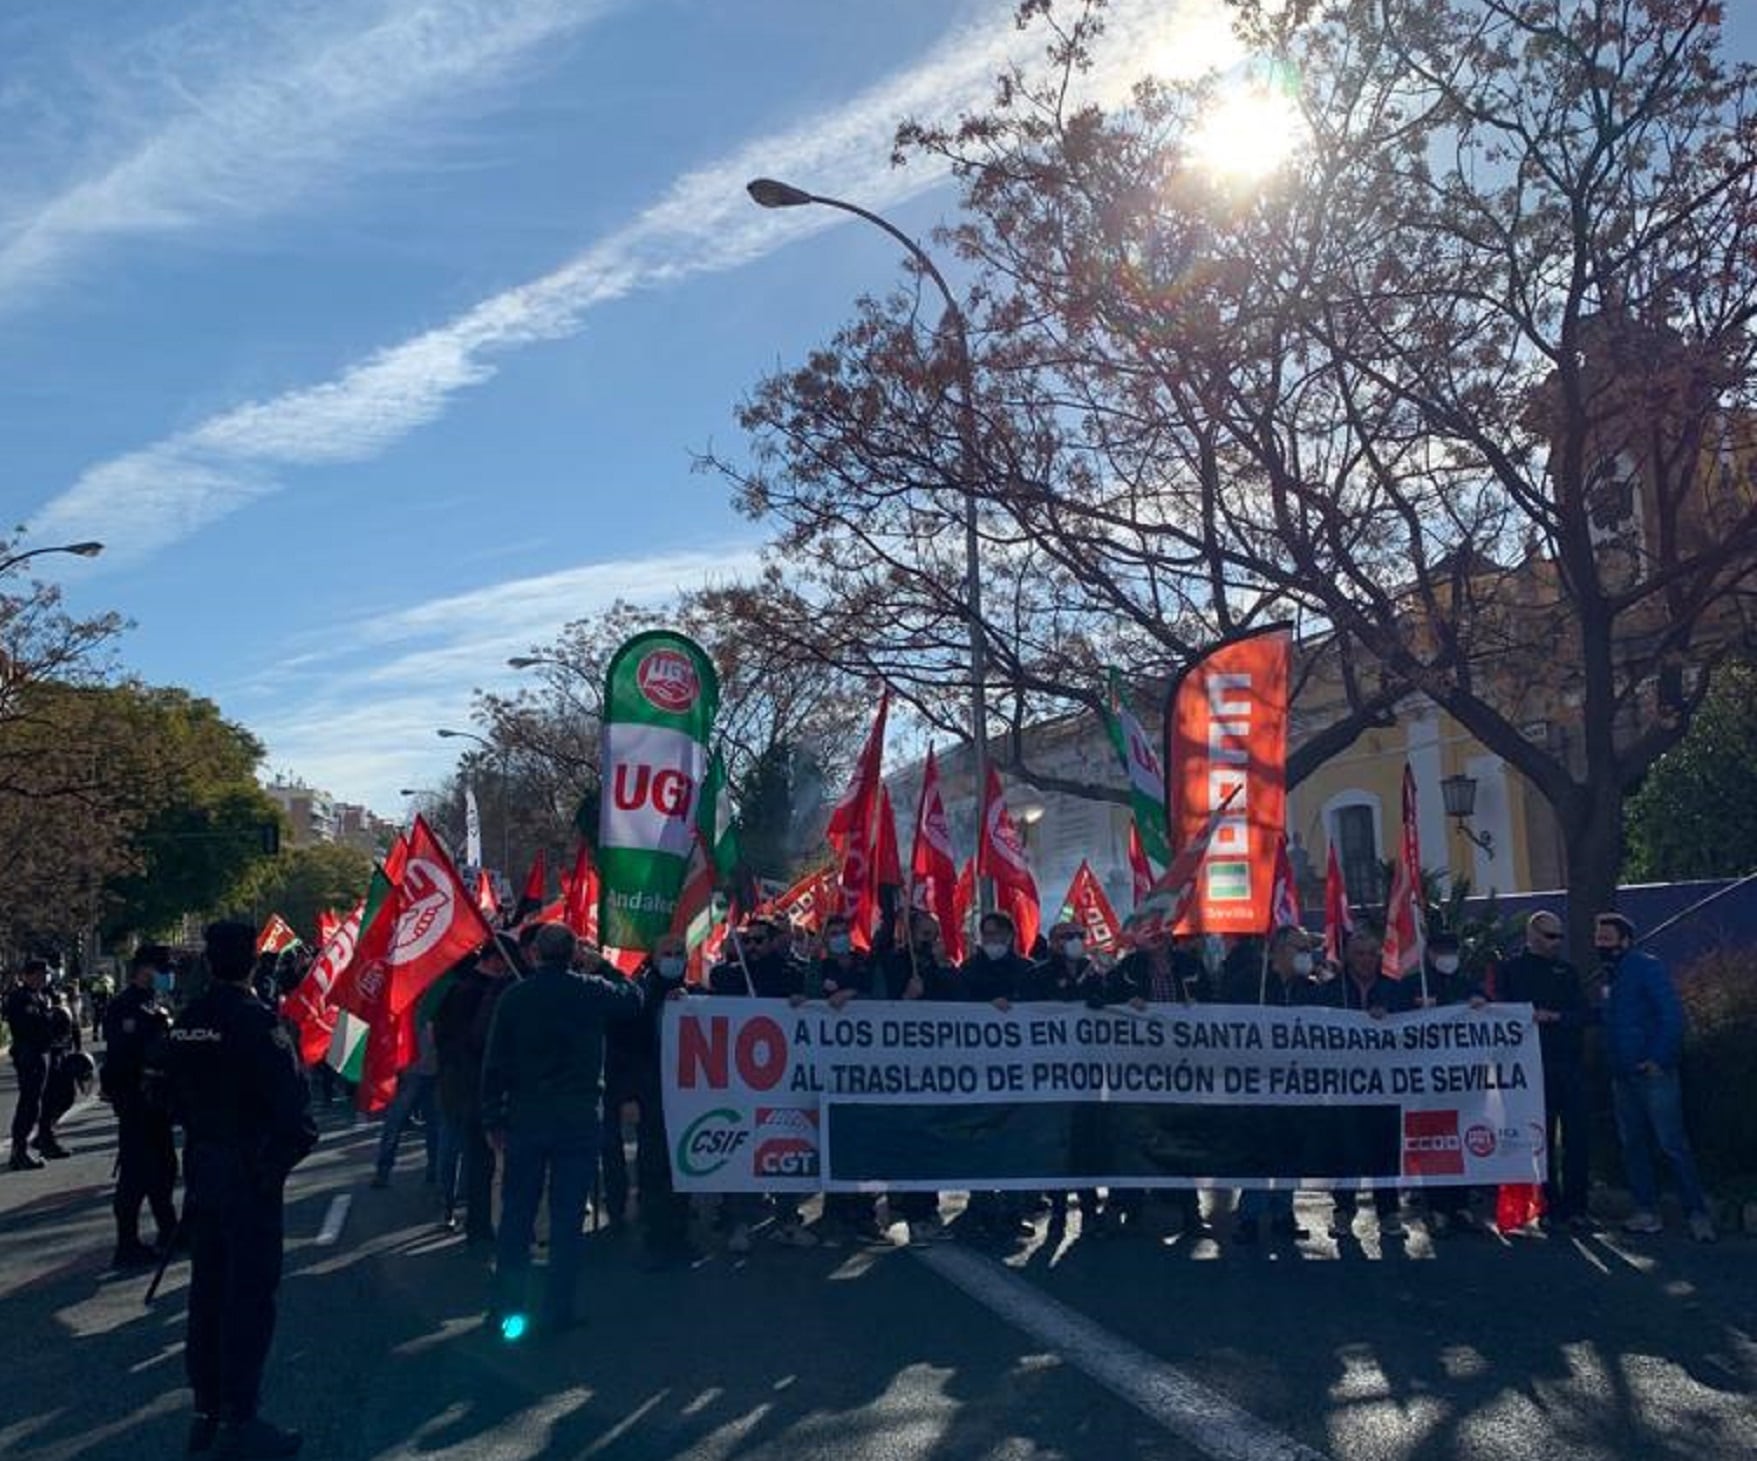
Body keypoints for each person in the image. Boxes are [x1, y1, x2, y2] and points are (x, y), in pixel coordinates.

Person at [163, 921, 318, 1459]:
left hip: (204, 1169)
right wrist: (270, 1167)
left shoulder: (189, 1020)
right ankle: (239, 1419)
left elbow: (160, 1092)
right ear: (252, 962)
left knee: (206, 1291)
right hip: (247, 1174)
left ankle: (206, 1408)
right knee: (248, 1298)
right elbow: (294, 1111)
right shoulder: (257, 1023)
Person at [481, 921, 677, 1335]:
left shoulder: (515, 997)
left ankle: (506, 1307)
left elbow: (495, 1062)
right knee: (567, 1218)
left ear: (534, 954)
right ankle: (558, 1309)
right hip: (577, 1118)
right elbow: (635, 998)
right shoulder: (590, 991)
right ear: (574, 954)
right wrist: (603, 966)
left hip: (527, 1116)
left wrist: (493, 1117)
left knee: (518, 1215)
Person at [1597, 912, 1715, 1242]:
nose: (1601, 944)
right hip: (1622, 1075)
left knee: (1671, 1143)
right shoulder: (1609, 977)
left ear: (1625, 940)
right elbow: (1607, 1019)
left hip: (1653, 1073)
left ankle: (1697, 1213)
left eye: (1607, 938)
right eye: (1598, 938)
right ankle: (1646, 1210)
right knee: (1633, 1145)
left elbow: (1671, 1014)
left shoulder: (1645, 967)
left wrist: (1658, 1058)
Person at [708, 917, 814, 1251]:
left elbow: (809, 1000)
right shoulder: (730, 974)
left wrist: (803, 1002)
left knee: (784, 1148)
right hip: (742, 1079)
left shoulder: (790, 974)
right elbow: (716, 983)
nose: (752, 946)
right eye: (747, 940)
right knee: (741, 1150)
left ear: (772, 942)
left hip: (782, 1078)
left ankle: (786, 1218)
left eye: (758, 940)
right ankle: (739, 1222)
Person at [1105, 929, 1211, 1235]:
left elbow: (1212, 1001)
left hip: (1181, 1066)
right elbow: (1103, 999)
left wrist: (1197, 1006)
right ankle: (1132, 1205)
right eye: (1152, 933)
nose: (1159, 939)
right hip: (1138, 1068)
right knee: (1138, 1135)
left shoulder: (1190, 965)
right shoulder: (1129, 968)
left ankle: (1190, 1211)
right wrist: (1127, 1001)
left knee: (1180, 1136)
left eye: (1164, 932)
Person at [1494, 911, 1593, 1232]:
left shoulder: (1567, 971)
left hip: (1569, 1063)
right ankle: (1548, 1205)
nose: (1557, 943)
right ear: (1533, 935)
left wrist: (1557, 1018)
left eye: (1560, 936)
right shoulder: (1511, 970)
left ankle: (1577, 1207)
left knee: (1578, 1137)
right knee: (1542, 1138)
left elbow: (1584, 1014)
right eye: (1551, 936)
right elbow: (1499, 1013)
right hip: (1532, 1067)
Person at [1229, 925, 1319, 1244]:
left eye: (1308, 948)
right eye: (1300, 948)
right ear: (1279, 950)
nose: (1306, 955)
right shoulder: (1249, 983)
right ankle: (1250, 1216)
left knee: (1289, 1149)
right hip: (1257, 1083)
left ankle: (1283, 1212)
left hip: (1295, 1085)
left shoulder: (1309, 988)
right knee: (1258, 1150)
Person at [956, 910, 1041, 1243]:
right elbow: (956, 1009)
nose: (990, 941)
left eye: (996, 935)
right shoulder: (968, 970)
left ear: (1009, 936)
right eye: (985, 935)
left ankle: (1013, 1208)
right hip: (979, 1069)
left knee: (1014, 1137)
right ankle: (980, 1205)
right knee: (980, 1135)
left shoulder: (1027, 971)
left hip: (1018, 1069)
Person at [432, 934, 522, 1244]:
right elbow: (479, 1041)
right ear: (497, 960)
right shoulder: (477, 992)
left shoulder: (458, 988)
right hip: (473, 1084)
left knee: (466, 1152)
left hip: (459, 1082)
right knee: (477, 1156)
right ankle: (477, 1221)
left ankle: (461, 1212)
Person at [1328, 927, 1413, 1238]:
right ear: (1348, 957)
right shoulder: (1331, 991)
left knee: (1385, 1149)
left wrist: (1388, 1019)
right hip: (1345, 1084)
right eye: (1359, 954)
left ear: (1379, 956)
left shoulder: (1395, 990)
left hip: (1386, 1084)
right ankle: (1343, 1210)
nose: (1365, 960)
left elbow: (1413, 1029)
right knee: (1345, 1150)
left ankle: (1389, 1212)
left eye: (1371, 954)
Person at [101, 944, 179, 1267]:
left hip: (157, 1099)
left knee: (164, 1167)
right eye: (161, 969)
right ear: (144, 969)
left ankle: (169, 1230)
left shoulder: (152, 1003)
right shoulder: (124, 1006)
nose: (166, 976)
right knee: (136, 1172)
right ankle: (127, 1243)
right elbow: (122, 1056)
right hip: (135, 1097)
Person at [1034, 921, 1109, 1234]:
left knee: (1085, 1143)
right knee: (1057, 1144)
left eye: (1079, 935)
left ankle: (1090, 1209)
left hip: (1087, 1074)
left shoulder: (1094, 974)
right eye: (1067, 937)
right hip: (1051, 1075)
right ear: (1053, 942)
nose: (1075, 941)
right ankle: (1059, 1211)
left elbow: (1109, 1008)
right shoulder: (1037, 976)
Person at [6, 958, 66, 1169]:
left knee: (51, 1098)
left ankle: (45, 1140)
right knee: (29, 1104)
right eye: (39, 975)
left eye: (45, 975)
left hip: (45, 1052)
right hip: (29, 1054)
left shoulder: (42, 995)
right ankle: (18, 1152)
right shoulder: (20, 998)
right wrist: (51, 1017)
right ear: (28, 975)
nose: (43, 979)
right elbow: (31, 1026)